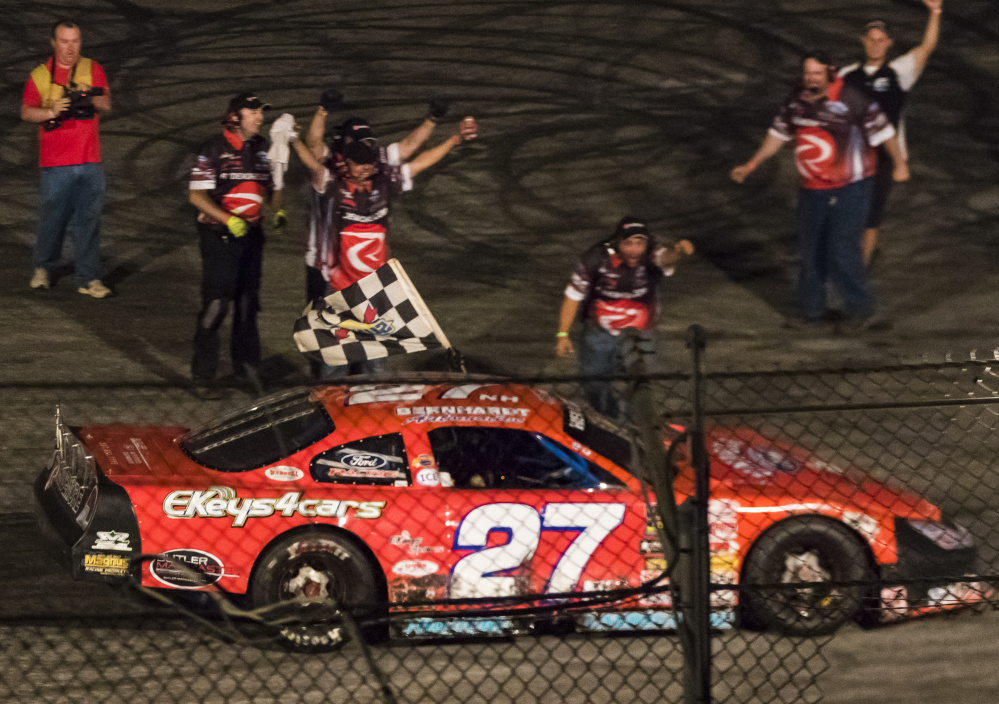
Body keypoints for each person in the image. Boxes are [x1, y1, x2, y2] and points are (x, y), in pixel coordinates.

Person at [287, 100, 478, 376]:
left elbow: (417, 162)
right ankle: (328, 412)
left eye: (369, 163)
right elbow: (313, 161)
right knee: (334, 363)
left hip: (378, 290)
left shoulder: (384, 179)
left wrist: (454, 139)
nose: (367, 168)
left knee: (376, 363)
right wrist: (294, 139)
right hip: (339, 288)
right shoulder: (333, 184)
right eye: (360, 164)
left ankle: (370, 405)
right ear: (347, 162)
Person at [730, 52, 909, 331]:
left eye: (816, 73)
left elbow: (885, 132)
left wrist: (899, 164)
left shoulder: (852, 99)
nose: (810, 78)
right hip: (812, 190)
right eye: (807, 73)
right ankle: (810, 311)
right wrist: (751, 164)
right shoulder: (796, 102)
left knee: (842, 249)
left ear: (831, 73)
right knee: (811, 251)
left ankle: (862, 311)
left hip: (851, 188)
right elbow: (777, 134)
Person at [298, 90, 452, 305]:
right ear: (345, 142)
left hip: (364, 260)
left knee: (367, 321)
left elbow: (408, 146)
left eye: (369, 141)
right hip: (323, 259)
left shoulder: (375, 160)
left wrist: (432, 119)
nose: (366, 148)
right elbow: (313, 145)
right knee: (321, 324)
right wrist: (322, 112)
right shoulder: (329, 160)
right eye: (359, 141)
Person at [556, 217, 694, 418]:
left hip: (641, 332)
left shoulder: (651, 255)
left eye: (639, 243)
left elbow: (665, 259)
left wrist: (679, 252)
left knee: (643, 382)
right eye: (628, 243)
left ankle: (635, 422)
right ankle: (603, 416)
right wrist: (562, 334)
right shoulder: (595, 259)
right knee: (594, 382)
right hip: (600, 332)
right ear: (617, 242)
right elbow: (572, 296)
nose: (634, 249)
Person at [839, 0, 943, 266]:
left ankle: (859, 272)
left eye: (881, 39)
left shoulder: (900, 72)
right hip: (851, 158)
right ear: (863, 41)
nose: (875, 44)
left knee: (871, 217)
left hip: (884, 158)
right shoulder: (846, 76)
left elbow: (927, 48)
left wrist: (935, 12)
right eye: (871, 39)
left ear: (889, 43)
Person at [187, 93, 277, 385]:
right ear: (235, 117)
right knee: (217, 304)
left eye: (261, 112)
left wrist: (278, 208)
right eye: (254, 113)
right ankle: (203, 375)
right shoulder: (213, 149)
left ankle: (247, 368)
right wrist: (228, 220)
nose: (260, 118)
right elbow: (195, 196)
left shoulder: (262, 149)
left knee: (248, 303)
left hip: (252, 235)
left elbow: (272, 186)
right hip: (218, 236)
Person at [20, 19, 112, 298]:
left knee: (89, 220)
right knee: (53, 219)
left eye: (75, 41)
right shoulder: (39, 75)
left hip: (89, 160)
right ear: (53, 43)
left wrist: (88, 97)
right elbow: (26, 112)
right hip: (55, 163)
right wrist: (52, 111)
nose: (70, 48)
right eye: (64, 41)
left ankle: (89, 278)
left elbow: (106, 103)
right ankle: (43, 269)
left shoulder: (92, 69)